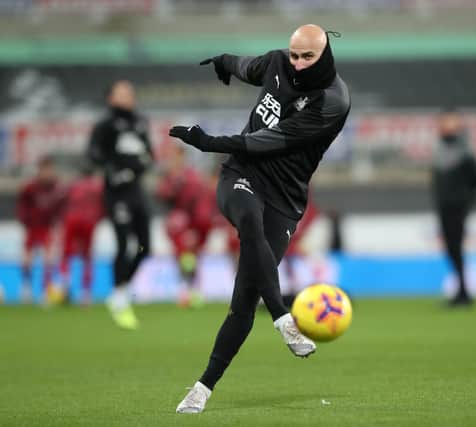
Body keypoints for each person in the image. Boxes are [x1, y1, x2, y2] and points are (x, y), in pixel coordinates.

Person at [169, 24, 351, 413]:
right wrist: (223, 61)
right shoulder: (276, 63)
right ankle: (284, 319)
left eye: (307, 57)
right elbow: (246, 65)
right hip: (242, 174)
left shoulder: (332, 100)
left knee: (243, 302)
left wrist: (208, 143)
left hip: (284, 197)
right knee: (248, 223)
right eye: (294, 54)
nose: (297, 63)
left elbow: (265, 141)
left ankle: (202, 388)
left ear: (325, 55)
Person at [88, 80, 153, 329]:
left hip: (136, 191)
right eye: (121, 93)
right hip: (116, 193)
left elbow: (149, 155)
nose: (127, 96)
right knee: (125, 243)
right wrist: (114, 168)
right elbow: (93, 153)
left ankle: (122, 287)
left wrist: (140, 163)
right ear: (110, 97)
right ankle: (118, 294)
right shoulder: (105, 124)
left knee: (145, 248)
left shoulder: (140, 122)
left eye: (129, 92)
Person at [431, 110, 476, 307]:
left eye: (448, 122)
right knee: (452, 249)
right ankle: (462, 291)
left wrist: (467, 204)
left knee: (456, 249)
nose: (444, 125)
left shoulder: (464, 151)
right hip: (444, 207)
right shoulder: (440, 149)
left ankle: (463, 293)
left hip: (457, 207)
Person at [157, 145, 216, 308]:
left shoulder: (191, 176)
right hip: (179, 222)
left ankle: (191, 290)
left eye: (177, 157)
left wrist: (194, 225)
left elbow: (197, 200)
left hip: (192, 222)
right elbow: (161, 194)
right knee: (183, 256)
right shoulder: (171, 177)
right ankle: (187, 289)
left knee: (190, 256)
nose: (174, 160)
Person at [16, 155, 65, 304]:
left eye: (50, 169)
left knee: (48, 260)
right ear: (40, 170)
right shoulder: (30, 187)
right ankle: (26, 289)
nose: (47, 173)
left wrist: (58, 223)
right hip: (32, 228)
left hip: (47, 228)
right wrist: (25, 221)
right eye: (45, 170)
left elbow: (60, 208)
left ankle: (46, 291)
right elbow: (22, 206)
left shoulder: (56, 187)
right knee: (26, 260)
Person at [59, 161, 104, 305]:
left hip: (71, 219)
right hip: (89, 221)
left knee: (66, 254)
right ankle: (86, 294)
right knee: (87, 257)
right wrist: (98, 218)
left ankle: (65, 285)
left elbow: (61, 201)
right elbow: (105, 204)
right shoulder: (98, 187)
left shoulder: (73, 185)